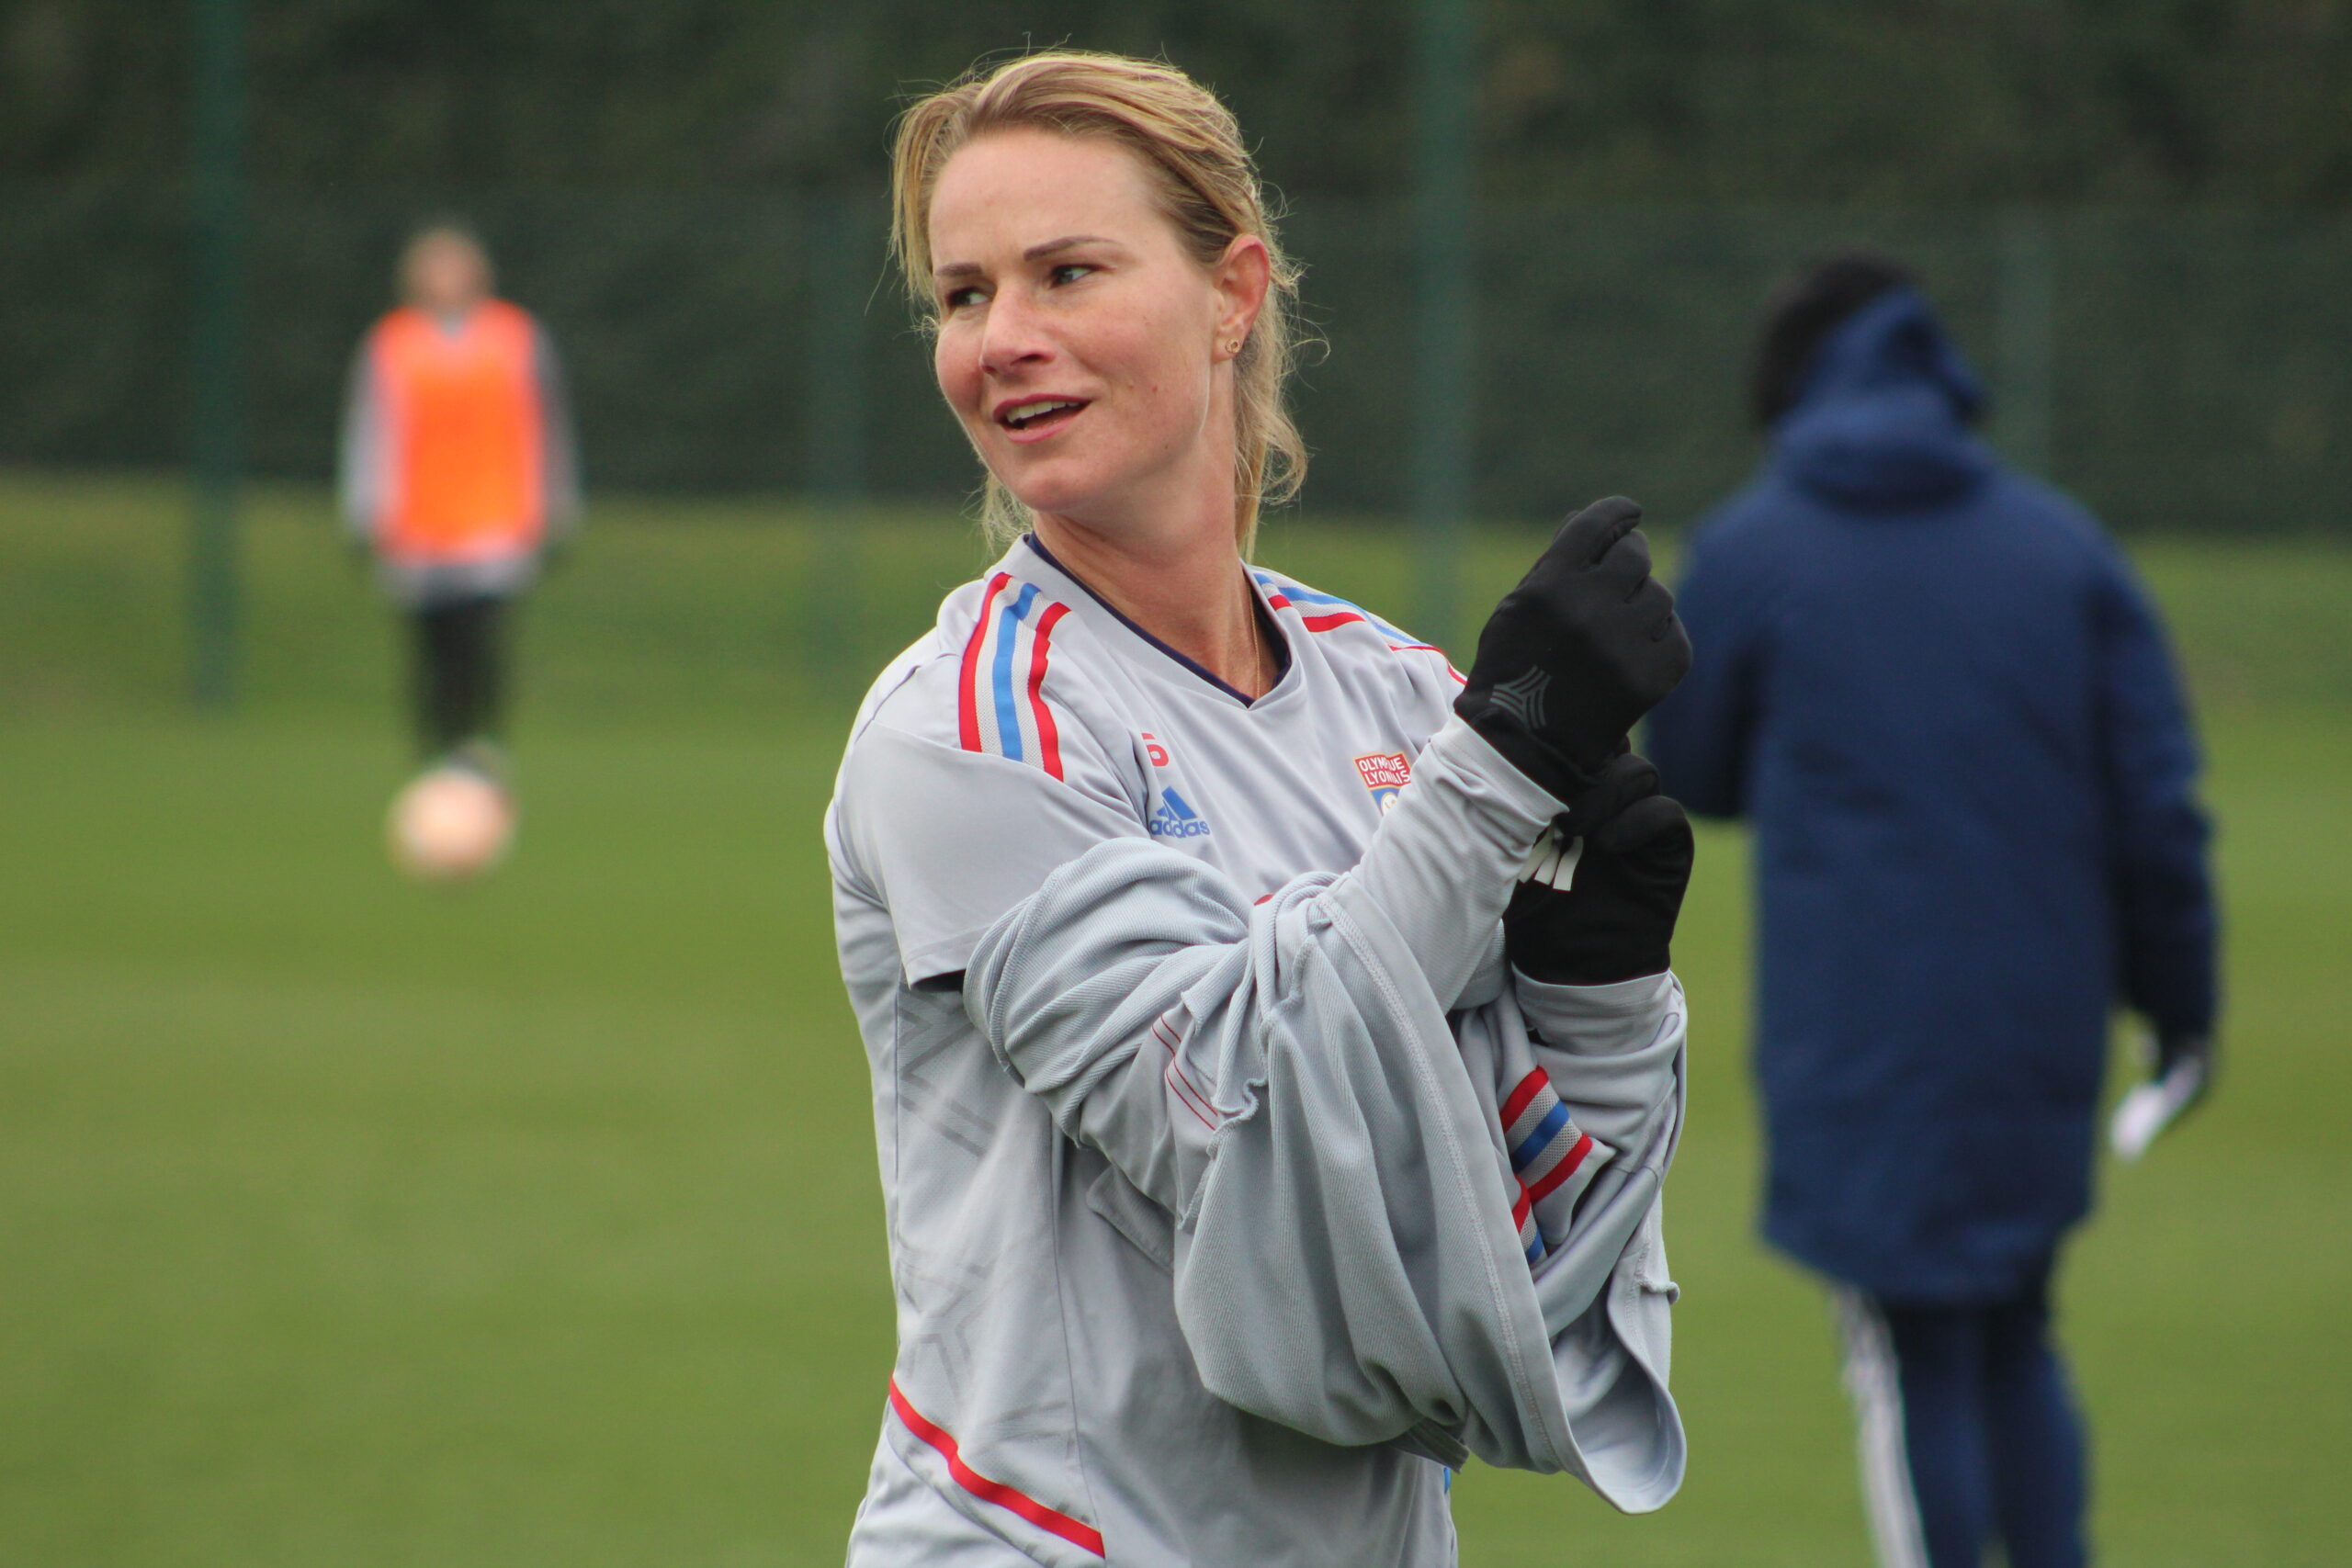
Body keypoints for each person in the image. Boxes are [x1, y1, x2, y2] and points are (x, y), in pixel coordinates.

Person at [827, 51, 1700, 1565]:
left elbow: (1534, 1259)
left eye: (1066, 271)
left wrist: (1603, 1004)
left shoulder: (1394, 697)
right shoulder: (970, 725)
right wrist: (1491, 779)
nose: (1004, 341)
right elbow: (1242, 1128)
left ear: (1232, 293)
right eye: (964, 296)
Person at [1646, 251, 2220, 1568]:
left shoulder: (1754, 544)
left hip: (1860, 1032)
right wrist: (2181, 1009)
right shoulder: (2064, 549)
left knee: (1908, 1346)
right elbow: (2161, 817)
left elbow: (1691, 761)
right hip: (2039, 1024)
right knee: (2015, 1319)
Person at [339, 222, 579, 770]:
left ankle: (480, 748)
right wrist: (363, 512)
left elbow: (546, 426)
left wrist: (556, 509)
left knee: (481, 642)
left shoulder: (515, 337)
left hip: (492, 519)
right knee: (431, 649)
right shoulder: (392, 343)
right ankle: (434, 754)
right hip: (418, 526)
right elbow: (370, 431)